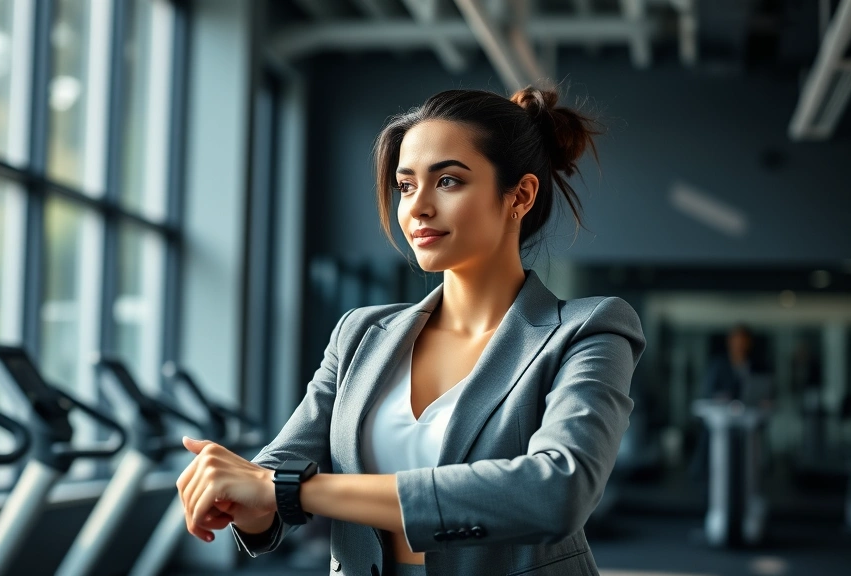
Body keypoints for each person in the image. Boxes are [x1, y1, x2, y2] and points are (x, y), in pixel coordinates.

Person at [174, 87, 645, 576]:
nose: (417, 208)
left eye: (447, 181)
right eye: (404, 186)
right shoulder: (360, 334)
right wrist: (245, 498)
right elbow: (278, 467)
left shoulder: (588, 330)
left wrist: (291, 491)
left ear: (520, 196)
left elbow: (556, 491)